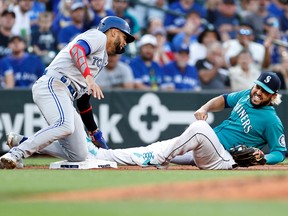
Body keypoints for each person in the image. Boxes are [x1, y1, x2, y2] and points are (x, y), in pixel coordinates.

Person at [3, 72, 286, 170]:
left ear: (274, 96)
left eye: (265, 91)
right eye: (258, 86)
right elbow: (223, 99)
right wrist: (204, 105)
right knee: (110, 154)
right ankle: (30, 143)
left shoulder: (271, 119)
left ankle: (158, 155)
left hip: (224, 159)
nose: (258, 92)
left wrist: (263, 158)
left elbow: (281, 152)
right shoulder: (246, 96)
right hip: (205, 150)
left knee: (198, 130)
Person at [0, 16, 135, 169]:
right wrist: (89, 77)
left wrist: (94, 132)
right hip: (54, 83)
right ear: (113, 32)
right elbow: (76, 50)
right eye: (125, 37)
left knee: (79, 155)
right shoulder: (98, 36)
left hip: (66, 93)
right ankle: (16, 153)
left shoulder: (102, 58)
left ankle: (22, 141)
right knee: (64, 125)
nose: (125, 43)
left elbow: (83, 102)